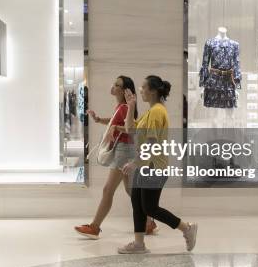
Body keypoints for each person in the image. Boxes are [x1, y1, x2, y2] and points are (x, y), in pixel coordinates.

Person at [118, 75, 198, 254]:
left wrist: (135, 162)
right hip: (146, 165)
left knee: (150, 207)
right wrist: (131, 107)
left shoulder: (157, 111)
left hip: (154, 166)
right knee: (137, 202)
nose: (140, 90)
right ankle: (139, 244)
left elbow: (153, 143)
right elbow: (130, 130)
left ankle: (187, 228)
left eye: (143, 87)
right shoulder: (151, 111)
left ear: (153, 91)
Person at [74, 76, 158, 239]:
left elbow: (132, 128)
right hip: (124, 150)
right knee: (130, 190)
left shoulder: (126, 107)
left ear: (125, 90)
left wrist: (115, 128)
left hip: (124, 151)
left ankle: (95, 227)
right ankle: (150, 221)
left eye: (117, 85)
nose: (113, 86)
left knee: (108, 190)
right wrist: (99, 120)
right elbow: (115, 121)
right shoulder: (121, 107)